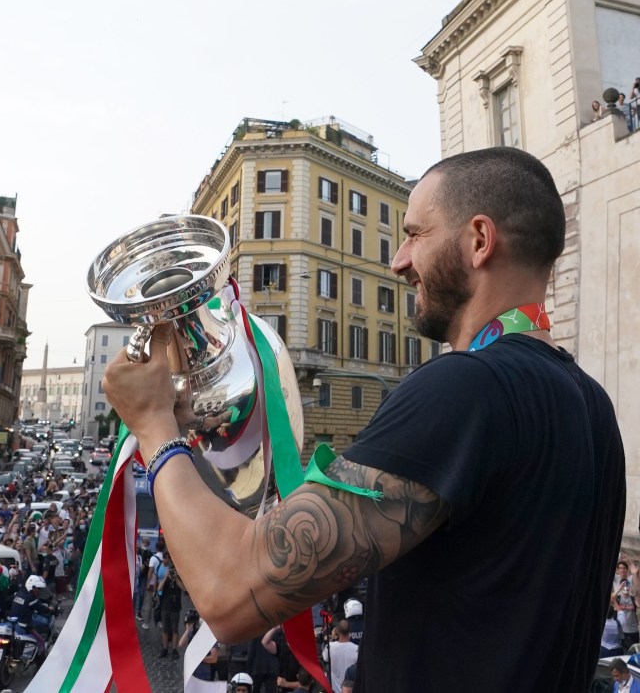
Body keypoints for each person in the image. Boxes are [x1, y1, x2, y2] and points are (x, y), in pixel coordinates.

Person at [102, 147, 626, 691]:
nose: (398, 261)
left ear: (478, 240)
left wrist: (153, 425)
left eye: (415, 234)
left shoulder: (466, 388)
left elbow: (232, 593)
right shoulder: (593, 409)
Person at [324, 621, 357, 693]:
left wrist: (332, 638)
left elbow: (324, 658)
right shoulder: (356, 649)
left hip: (334, 690)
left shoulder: (330, 647)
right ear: (350, 631)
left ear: (337, 631)